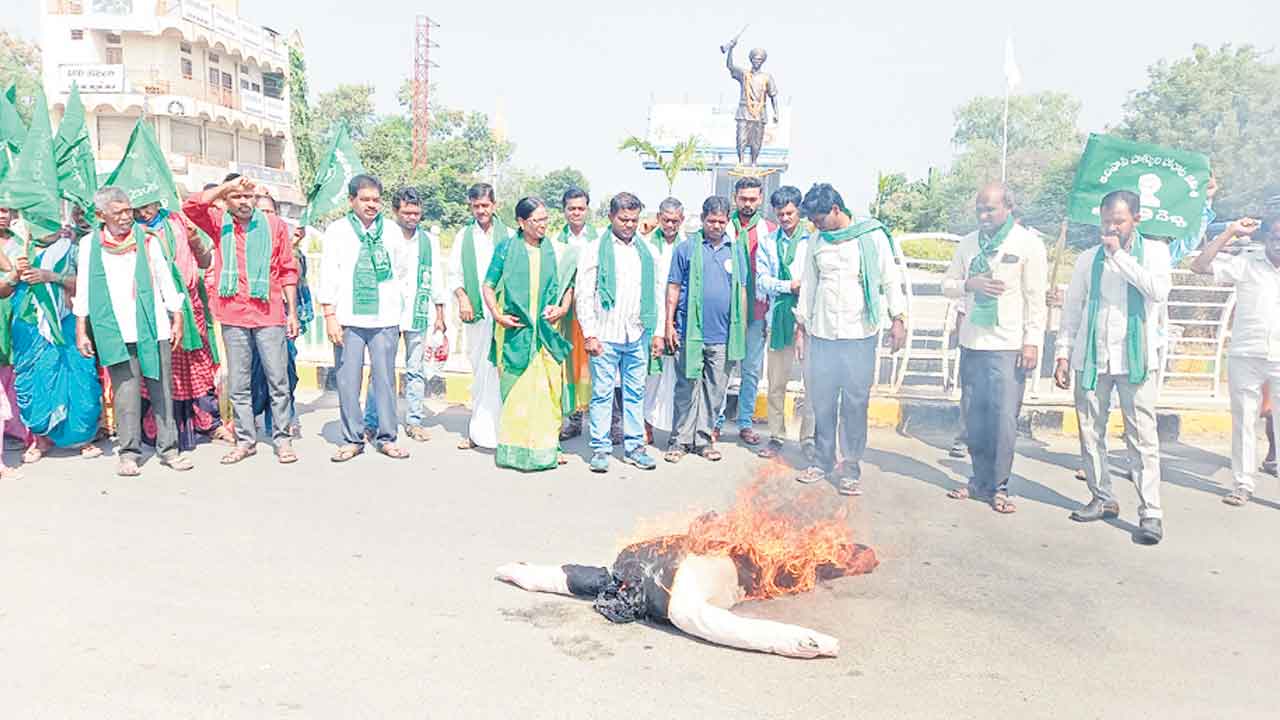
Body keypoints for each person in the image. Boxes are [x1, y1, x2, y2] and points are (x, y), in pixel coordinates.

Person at [1055, 190, 1170, 545]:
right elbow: (1074, 308)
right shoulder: (1088, 259)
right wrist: (1062, 352)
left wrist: (1120, 256)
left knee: (1142, 437)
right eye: (1105, 221)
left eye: (1118, 221)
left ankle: (1150, 512)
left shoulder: (1154, 253)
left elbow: (1157, 291)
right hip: (1092, 357)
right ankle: (1102, 497)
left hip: (1136, 359)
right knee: (1090, 430)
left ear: (1136, 219)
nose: (1110, 228)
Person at [794, 184, 907, 495]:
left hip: (860, 334)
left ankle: (851, 467)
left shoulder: (871, 237)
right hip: (824, 334)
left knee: (856, 403)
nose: (815, 226)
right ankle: (822, 461)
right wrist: (801, 328)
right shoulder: (817, 241)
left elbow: (889, 279)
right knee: (823, 401)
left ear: (835, 210)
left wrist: (899, 318)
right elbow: (809, 287)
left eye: (819, 219)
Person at [942, 183, 1047, 514]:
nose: (983, 215)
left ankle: (999, 486)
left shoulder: (1028, 244)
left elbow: (1035, 299)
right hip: (973, 342)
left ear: (1008, 208)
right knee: (974, 416)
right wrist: (967, 285)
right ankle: (978, 480)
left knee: (1002, 419)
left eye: (990, 209)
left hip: (1008, 345)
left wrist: (1032, 342)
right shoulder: (969, 244)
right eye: (979, 209)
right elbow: (947, 284)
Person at [184, 174, 300, 465]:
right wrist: (226, 187)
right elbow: (190, 207)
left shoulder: (274, 226)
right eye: (237, 197)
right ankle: (245, 441)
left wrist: (292, 313)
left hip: (270, 312)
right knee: (239, 383)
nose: (244, 202)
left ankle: (282, 440)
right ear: (227, 201)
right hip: (233, 313)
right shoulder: (218, 223)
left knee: (278, 380)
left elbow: (287, 269)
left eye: (248, 197)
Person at [74, 187, 191, 476]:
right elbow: (84, 286)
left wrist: (177, 317)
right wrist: (81, 330)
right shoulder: (90, 244)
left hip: (153, 328)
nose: (127, 217)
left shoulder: (148, 241)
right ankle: (129, 453)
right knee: (126, 396)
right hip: (114, 331)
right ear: (102, 216)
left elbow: (165, 279)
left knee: (162, 391)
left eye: (129, 211)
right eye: (119, 213)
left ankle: (169, 450)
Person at [318, 174, 409, 462]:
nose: (371, 205)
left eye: (376, 200)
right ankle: (352, 438)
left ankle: (386, 437)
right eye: (365, 199)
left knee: (384, 381)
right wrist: (330, 315)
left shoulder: (392, 232)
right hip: (348, 319)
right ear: (352, 200)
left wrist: (398, 313)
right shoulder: (337, 231)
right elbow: (328, 274)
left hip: (385, 319)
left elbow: (402, 271)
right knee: (348, 380)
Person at [481, 197, 574, 471]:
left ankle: (547, 450)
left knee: (548, 394)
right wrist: (498, 314)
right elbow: (488, 285)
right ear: (521, 223)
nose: (544, 225)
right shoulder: (506, 249)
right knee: (517, 394)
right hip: (515, 335)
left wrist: (563, 308)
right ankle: (514, 452)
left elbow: (569, 285)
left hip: (546, 334)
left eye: (546, 219)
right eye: (537, 220)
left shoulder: (556, 250)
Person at [1190, 215, 1277, 506]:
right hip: (1245, 354)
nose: (1279, 244)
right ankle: (1243, 484)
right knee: (1243, 421)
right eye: (1275, 237)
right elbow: (1199, 266)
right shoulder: (1247, 264)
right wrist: (1229, 231)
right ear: (1265, 239)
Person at [133, 200, 232, 451]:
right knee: (161, 369)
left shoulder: (179, 221)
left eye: (148, 206)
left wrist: (194, 239)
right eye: (138, 207)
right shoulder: (131, 231)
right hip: (152, 306)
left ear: (158, 201)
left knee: (198, 366)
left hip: (190, 306)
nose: (143, 212)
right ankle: (157, 430)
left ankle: (209, 423)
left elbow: (204, 261)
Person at [1, 220, 102, 462]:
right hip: (29, 326)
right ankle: (40, 439)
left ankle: (82, 439)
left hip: (66, 322)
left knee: (78, 378)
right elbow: (3, 290)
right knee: (34, 380)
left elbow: (88, 285)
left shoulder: (71, 249)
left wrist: (51, 276)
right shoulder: (15, 248)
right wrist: (15, 274)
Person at [575, 192, 660, 473]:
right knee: (602, 393)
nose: (629, 225)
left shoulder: (646, 251)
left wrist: (655, 332)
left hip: (636, 334)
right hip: (605, 334)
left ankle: (635, 447)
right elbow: (584, 294)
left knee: (635, 393)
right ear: (611, 217)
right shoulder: (594, 249)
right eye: (623, 219)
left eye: (634, 220)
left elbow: (656, 293)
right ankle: (600, 449)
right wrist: (589, 333)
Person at [663, 196, 749, 464]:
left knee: (715, 391)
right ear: (702, 219)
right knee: (686, 388)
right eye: (711, 221)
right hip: (689, 332)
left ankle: (703, 440)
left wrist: (741, 330)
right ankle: (679, 440)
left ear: (727, 221)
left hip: (723, 335)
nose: (716, 226)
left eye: (721, 221)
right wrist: (669, 325)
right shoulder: (686, 249)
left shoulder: (735, 251)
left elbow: (742, 291)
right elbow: (674, 288)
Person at [362, 187, 447, 443]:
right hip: (386, 313)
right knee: (380, 370)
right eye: (407, 212)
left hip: (417, 313)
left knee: (415, 370)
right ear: (395, 211)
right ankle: (371, 422)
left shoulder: (427, 241)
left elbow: (436, 279)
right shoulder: (384, 236)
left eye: (417, 213)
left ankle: (414, 421)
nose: (412, 217)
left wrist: (440, 313)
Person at [447, 183, 511, 451]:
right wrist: (463, 298)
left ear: (494, 205)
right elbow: (454, 273)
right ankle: (477, 432)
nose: (481, 210)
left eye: (485, 205)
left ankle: (503, 431)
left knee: (499, 373)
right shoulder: (464, 236)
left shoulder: (507, 235)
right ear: (470, 207)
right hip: (476, 312)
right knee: (479, 373)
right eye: (476, 206)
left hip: (502, 315)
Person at [754, 185, 815, 460]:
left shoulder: (813, 240)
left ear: (799, 211)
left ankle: (809, 438)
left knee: (812, 383)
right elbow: (762, 281)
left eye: (790, 213)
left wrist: (803, 288)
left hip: (811, 321)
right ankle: (777, 436)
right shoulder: (768, 242)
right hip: (778, 317)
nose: (786, 219)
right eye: (780, 214)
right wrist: (790, 285)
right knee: (776, 383)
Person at [718, 176, 775, 448]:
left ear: (760, 198)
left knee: (751, 370)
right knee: (723, 369)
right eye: (743, 199)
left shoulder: (769, 230)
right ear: (735, 198)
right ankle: (716, 422)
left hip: (756, 312)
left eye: (753, 199)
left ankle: (745, 423)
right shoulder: (723, 227)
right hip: (726, 313)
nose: (748, 204)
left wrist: (769, 316)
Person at [248, 193, 306, 439]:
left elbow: (296, 276)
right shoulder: (246, 242)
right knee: (253, 373)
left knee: (284, 372)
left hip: (280, 317)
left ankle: (280, 422)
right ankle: (249, 420)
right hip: (251, 318)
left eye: (270, 211)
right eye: (260, 211)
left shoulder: (288, 245)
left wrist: (291, 248)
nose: (265, 216)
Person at [643, 198, 686, 445]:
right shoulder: (647, 245)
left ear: (682, 220)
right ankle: (645, 425)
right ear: (658, 217)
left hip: (678, 320)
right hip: (651, 320)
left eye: (675, 221)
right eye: (666, 220)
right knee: (651, 377)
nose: (670, 225)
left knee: (674, 378)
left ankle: (674, 429)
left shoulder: (689, 246)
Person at [554, 186, 595, 442]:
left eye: (580, 208)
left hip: (593, 312)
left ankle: (607, 423)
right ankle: (573, 419)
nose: (576, 213)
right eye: (572, 209)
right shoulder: (557, 242)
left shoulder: (599, 239)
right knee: (569, 363)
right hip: (567, 314)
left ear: (587, 210)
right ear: (564, 211)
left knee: (595, 364)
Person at [0, 205, 34, 455]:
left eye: (6, 210)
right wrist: (13, 273)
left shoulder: (22, 241)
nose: (3, 215)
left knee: (17, 366)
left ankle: (19, 429)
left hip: (18, 310)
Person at [724, 38, 779, 167]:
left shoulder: (767, 77)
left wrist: (776, 113)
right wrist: (731, 49)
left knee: (757, 140)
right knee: (741, 137)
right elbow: (730, 66)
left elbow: (773, 96)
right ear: (751, 59)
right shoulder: (744, 74)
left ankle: (754, 162)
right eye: (755, 59)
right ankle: (741, 161)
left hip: (760, 112)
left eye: (759, 59)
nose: (757, 61)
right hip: (744, 110)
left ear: (763, 61)